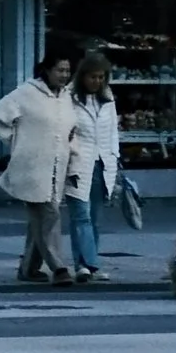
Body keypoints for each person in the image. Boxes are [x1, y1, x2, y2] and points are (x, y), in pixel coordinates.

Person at [0, 51, 77, 285]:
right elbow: (0, 114)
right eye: (60, 70)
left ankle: (28, 268)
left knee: (39, 220)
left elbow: (71, 130)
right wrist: (16, 141)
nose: (64, 75)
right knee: (49, 215)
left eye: (67, 71)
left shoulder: (66, 97)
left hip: (56, 167)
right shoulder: (26, 93)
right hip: (32, 166)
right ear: (47, 70)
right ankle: (59, 267)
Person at [65, 50, 124, 283]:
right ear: (83, 76)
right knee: (81, 215)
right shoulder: (69, 97)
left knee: (94, 217)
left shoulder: (107, 99)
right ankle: (86, 265)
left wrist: (115, 157)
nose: (97, 81)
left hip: (102, 163)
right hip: (78, 162)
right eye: (93, 77)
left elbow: (112, 132)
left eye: (101, 77)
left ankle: (89, 263)